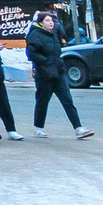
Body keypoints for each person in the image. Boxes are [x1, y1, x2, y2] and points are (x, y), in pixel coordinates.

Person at [26, 10, 92, 139]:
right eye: (47, 21)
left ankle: (79, 128)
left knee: (67, 100)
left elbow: (57, 51)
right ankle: (38, 128)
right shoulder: (35, 35)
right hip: (45, 74)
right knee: (43, 101)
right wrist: (45, 62)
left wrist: (59, 63)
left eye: (52, 21)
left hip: (58, 72)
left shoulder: (53, 34)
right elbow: (31, 54)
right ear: (40, 23)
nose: (51, 23)